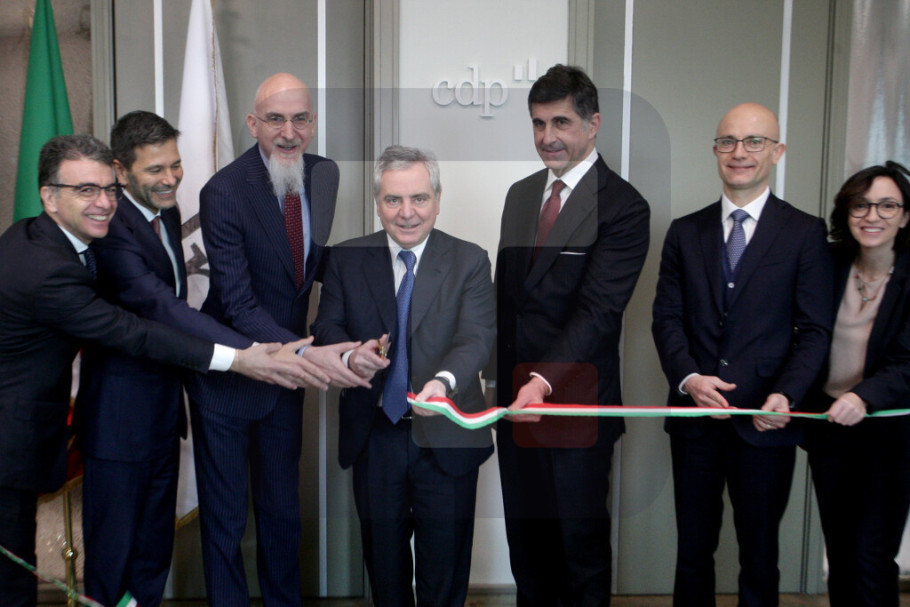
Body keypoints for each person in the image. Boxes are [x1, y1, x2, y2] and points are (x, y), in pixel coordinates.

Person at [0, 134, 319, 607]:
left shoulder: (36, 235)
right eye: (85, 190)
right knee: (11, 582)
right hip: (12, 440)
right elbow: (134, 331)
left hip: (40, 430)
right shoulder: (47, 268)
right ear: (49, 197)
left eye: (108, 189)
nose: (104, 202)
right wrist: (239, 358)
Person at [74, 111, 340, 607]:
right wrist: (245, 354)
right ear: (120, 170)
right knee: (113, 557)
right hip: (119, 417)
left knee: (152, 552)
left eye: (175, 165)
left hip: (163, 407)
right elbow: (164, 307)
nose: (171, 178)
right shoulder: (112, 229)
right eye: (156, 169)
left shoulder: (166, 211)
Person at [190, 72, 368, 606]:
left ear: (312, 121)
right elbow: (239, 304)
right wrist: (308, 353)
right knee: (225, 523)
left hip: (286, 383)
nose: (289, 132)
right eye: (275, 119)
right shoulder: (222, 192)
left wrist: (378, 282)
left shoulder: (324, 174)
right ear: (253, 124)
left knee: (282, 515)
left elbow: (309, 265)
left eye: (300, 119)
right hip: (230, 381)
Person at [651, 103, 833, 606]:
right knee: (693, 553)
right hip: (695, 421)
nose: (739, 152)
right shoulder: (685, 232)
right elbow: (666, 318)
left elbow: (814, 329)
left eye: (754, 141)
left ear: (777, 152)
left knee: (760, 556)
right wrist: (689, 378)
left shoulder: (804, 232)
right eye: (728, 141)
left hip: (766, 422)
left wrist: (787, 394)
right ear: (715, 151)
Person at [488, 64, 650, 606]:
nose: (547, 137)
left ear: (593, 123)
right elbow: (506, 299)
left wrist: (540, 382)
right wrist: (490, 380)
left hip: (576, 408)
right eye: (538, 123)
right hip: (515, 407)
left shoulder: (624, 206)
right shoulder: (520, 195)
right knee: (528, 552)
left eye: (560, 122)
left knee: (579, 553)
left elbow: (598, 314)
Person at [311, 145, 495, 606]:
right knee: (385, 573)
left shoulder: (470, 259)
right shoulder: (346, 258)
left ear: (438, 200)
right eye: (393, 199)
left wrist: (443, 383)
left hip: (448, 432)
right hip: (375, 435)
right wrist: (352, 355)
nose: (406, 212)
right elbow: (326, 327)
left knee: (444, 575)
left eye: (419, 198)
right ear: (378, 203)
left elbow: (476, 338)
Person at [803, 161, 910, 607]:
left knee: (871, 556)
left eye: (887, 206)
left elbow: (907, 361)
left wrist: (863, 397)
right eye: (861, 205)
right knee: (841, 552)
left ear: (905, 216)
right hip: (830, 430)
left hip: (890, 435)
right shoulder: (827, 264)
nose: (872, 216)